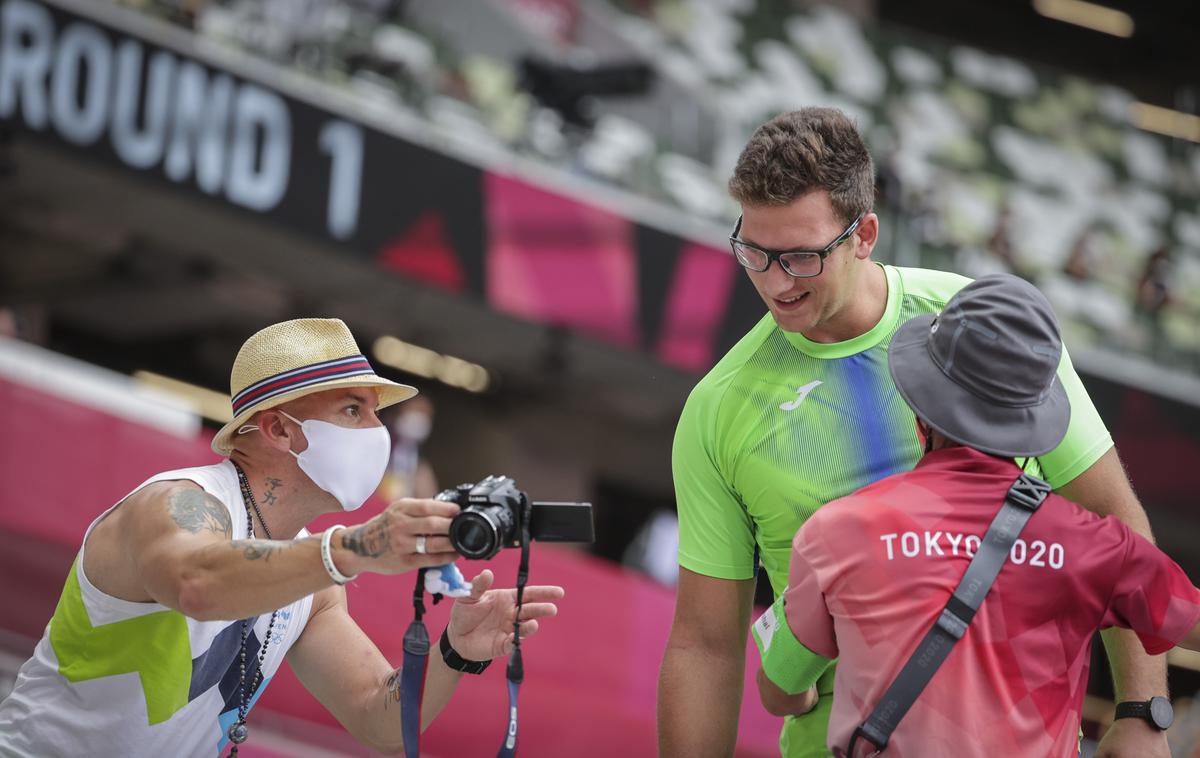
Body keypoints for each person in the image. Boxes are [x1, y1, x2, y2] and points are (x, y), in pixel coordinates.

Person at [657, 108, 1167, 758]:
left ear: (864, 233)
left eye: (803, 257)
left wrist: (1143, 711)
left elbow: (1111, 519)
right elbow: (705, 643)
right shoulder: (718, 407)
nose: (775, 281)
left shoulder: (985, 325)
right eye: (755, 251)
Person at [0, 317, 564, 756]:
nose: (379, 432)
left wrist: (455, 651)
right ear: (278, 429)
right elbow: (198, 582)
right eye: (353, 409)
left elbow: (379, 719)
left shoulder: (314, 584)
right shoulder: (180, 501)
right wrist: (355, 548)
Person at [752, 274, 1200, 756]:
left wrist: (802, 693)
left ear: (921, 409)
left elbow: (780, 692)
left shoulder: (837, 531)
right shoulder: (1096, 546)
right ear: (1032, 421)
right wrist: (1144, 715)